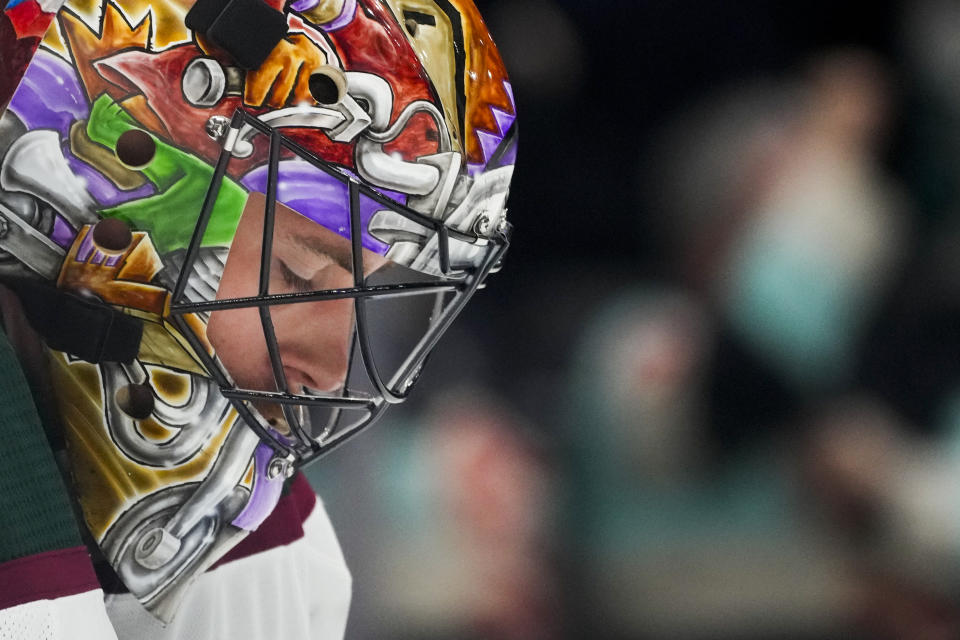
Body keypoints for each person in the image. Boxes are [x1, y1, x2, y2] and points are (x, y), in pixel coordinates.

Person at [0, 0, 517, 636]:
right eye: (298, 277)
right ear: (108, 182)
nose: (330, 373)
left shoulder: (254, 525)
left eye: (364, 294)